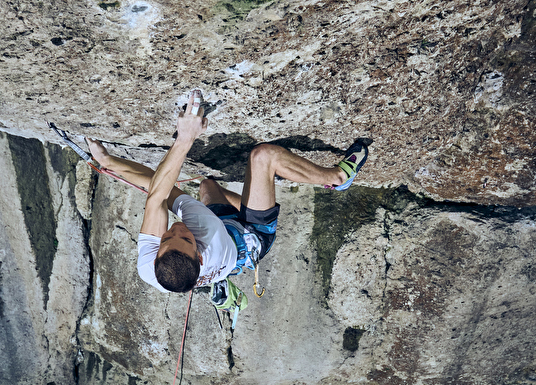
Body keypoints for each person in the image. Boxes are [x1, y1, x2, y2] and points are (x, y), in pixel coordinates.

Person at [86, 89, 369, 295]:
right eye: (184, 237)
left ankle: (250, 201)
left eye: (166, 237)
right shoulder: (206, 232)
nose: (176, 228)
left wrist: (109, 162)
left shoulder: (152, 269)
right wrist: (186, 137)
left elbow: (155, 194)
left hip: (225, 235)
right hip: (251, 239)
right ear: (198, 255)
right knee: (262, 157)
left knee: (208, 186)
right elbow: (161, 192)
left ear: (156, 254)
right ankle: (338, 177)